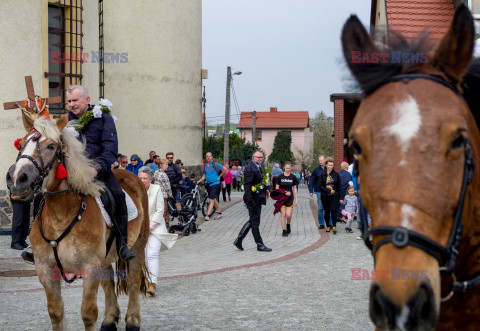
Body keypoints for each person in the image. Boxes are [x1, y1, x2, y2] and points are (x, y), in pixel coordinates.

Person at [67, 85, 135, 260]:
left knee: (118, 195)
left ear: (87, 100)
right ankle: (37, 242)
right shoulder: (65, 121)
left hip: (98, 172)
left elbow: (110, 150)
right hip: (70, 173)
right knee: (42, 196)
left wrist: (95, 167)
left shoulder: (104, 118)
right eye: (69, 101)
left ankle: (122, 245)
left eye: (75, 100)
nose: (72, 104)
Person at [138, 166, 177, 296]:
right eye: (140, 178)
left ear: (151, 179)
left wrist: (149, 227)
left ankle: (152, 284)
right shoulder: (134, 189)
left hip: (155, 228)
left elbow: (160, 210)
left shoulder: (156, 189)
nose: (142, 181)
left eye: (145, 178)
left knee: (152, 255)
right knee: (141, 257)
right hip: (138, 229)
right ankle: (142, 281)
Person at [233, 150, 272, 252]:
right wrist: (249, 200)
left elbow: (261, 182)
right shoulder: (251, 168)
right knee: (255, 221)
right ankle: (259, 244)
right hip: (253, 199)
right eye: (258, 157)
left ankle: (239, 240)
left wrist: (266, 190)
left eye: (262, 157)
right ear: (253, 157)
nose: (260, 159)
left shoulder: (258, 167)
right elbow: (247, 185)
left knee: (253, 220)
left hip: (258, 197)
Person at [197, 152, 227, 220]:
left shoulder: (215, 164)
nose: (208, 157)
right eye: (207, 156)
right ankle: (219, 213)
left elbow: (225, 169)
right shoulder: (205, 165)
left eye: (209, 156)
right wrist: (199, 181)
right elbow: (204, 175)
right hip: (209, 185)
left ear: (212, 157)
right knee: (214, 199)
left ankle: (207, 215)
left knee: (211, 199)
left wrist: (219, 176)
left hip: (215, 184)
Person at [318, 157, 342, 234]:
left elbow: (339, 186)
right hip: (325, 196)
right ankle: (328, 225)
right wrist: (329, 190)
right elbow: (320, 186)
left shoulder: (336, 174)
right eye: (329, 165)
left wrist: (341, 197)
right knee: (327, 211)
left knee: (334, 210)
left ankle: (334, 226)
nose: (331, 167)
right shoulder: (322, 174)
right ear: (326, 165)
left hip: (334, 196)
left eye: (332, 165)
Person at [275, 162, 298, 237]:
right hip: (282, 198)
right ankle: (284, 230)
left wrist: (296, 199)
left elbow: (294, 188)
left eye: (289, 168)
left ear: (290, 168)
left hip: (290, 198)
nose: (288, 169)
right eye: (286, 168)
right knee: (283, 215)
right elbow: (277, 188)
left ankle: (288, 224)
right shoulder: (280, 177)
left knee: (288, 215)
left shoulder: (293, 177)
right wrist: (278, 198)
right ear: (284, 168)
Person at [153, 159, 173, 227]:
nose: (167, 166)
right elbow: (167, 187)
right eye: (166, 164)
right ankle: (165, 225)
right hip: (163, 195)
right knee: (164, 211)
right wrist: (170, 194)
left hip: (156, 194)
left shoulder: (156, 172)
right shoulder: (163, 174)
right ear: (161, 165)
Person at [308, 155, 326, 229]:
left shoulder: (329, 168)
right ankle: (321, 223)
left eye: (321, 160)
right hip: (319, 191)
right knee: (321, 208)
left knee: (328, 208)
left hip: (328, 191)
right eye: (319, 160)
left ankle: (330, 223)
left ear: (325, 160)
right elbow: (312, 180)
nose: (320, 162)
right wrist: (311, 190)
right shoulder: (316, 170)